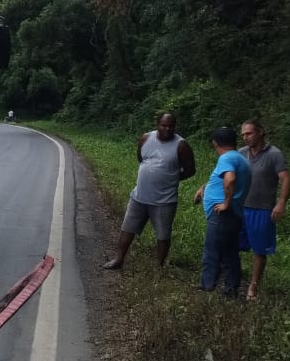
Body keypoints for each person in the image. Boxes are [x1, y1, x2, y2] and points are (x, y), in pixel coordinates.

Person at [102, 112, 197, 270]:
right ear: (157, 124)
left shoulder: (181, 145)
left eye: (171, 126)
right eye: (164, 125)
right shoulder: (146, 138)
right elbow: (141, 158)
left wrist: (171, 177)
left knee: (163, 234)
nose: (167, 129)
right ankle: (118, 259)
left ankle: (159, 266)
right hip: (139, 196)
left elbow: (190, 170)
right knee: (127, 228)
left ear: (175, 126)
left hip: (164, 200)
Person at [238, 120, 290, 302]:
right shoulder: (241, 153)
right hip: (240, 206)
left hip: (262, 208)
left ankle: (253, 285)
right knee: (232, 243)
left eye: (249, 133)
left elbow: (285, 179)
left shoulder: (274, 154)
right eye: (243, 134)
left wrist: (281, 202)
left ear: (260, 132)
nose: (246, 137)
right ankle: (233, 278)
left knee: (259, 250)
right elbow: (226, 173)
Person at [194, 127, 252, 297]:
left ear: (215, 143)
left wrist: (226, 203)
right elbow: (222, 180)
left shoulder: (226, 158)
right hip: (234, 214)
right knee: (229, 251)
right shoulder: (239, 158)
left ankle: (207, 286)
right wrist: (204, 188)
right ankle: (231, 288)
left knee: (212, 250)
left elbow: (230, 179)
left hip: (223, 214)